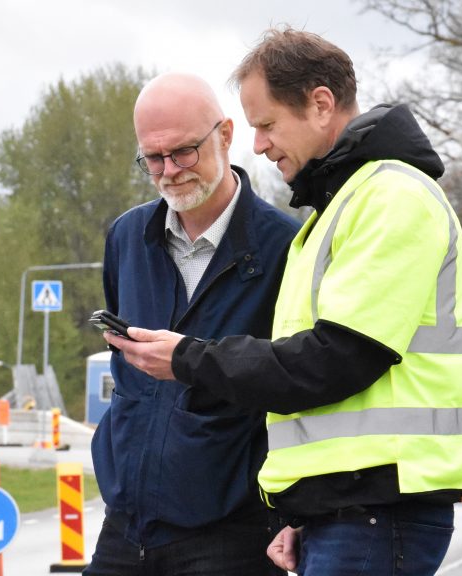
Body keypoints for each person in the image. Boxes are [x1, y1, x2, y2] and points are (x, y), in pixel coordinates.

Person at [104, 28, 462, 576]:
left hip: (379, 504)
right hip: (348, 507)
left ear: (319, 104)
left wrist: (187, 358)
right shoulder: (332, 213)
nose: (260, 145)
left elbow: (334, 360)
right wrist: (298, 510)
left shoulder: (390, 196)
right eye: (153, 158)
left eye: (266, 125)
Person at [85, 72, 299, 576]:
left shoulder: (286, 248)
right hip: (127, 521)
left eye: (183, 152)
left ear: (226, 135)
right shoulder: (125, 237)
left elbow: (294, 384)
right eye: (153, 159)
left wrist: (292, 511)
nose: (170, 171)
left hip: (230, 529)